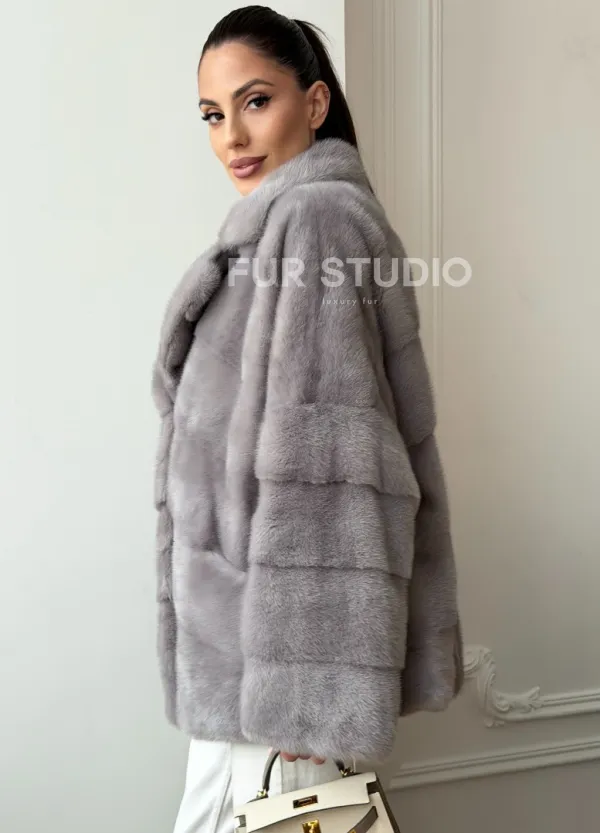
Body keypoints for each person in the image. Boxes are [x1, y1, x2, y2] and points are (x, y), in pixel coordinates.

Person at [151, 5, 464, 832]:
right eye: (213, 114)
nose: (231, 137)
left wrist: (308, 687)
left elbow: (328, 464)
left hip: (280, 677)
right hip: (251, 666)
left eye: (255, 102)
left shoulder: (313, 221)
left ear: (314, 102)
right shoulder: (270, 233)